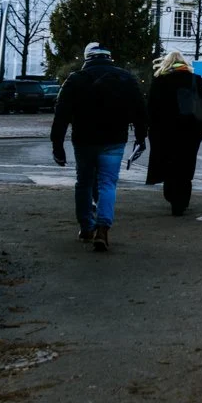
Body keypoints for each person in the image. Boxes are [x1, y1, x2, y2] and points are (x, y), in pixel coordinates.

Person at [50, 42, 146, 252]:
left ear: (87, 59)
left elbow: (61, 114)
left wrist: (57, 145)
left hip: (84, 139)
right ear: (109, 58)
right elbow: (139, 109)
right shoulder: (125, 78)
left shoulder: (75, 79)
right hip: (114, 138)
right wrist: (141, 137)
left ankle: (86, 227)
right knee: (107, 184)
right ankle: (103, 228)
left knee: (83, 182)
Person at [145, 51, 202, 215]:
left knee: (170, 163)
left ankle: (172, 196)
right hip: (191, 130)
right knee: (186, 163)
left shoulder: (160, 81)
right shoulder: (195, 80)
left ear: (166, 64)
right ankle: (182, 199)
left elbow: (151, 108)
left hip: (166, 130)